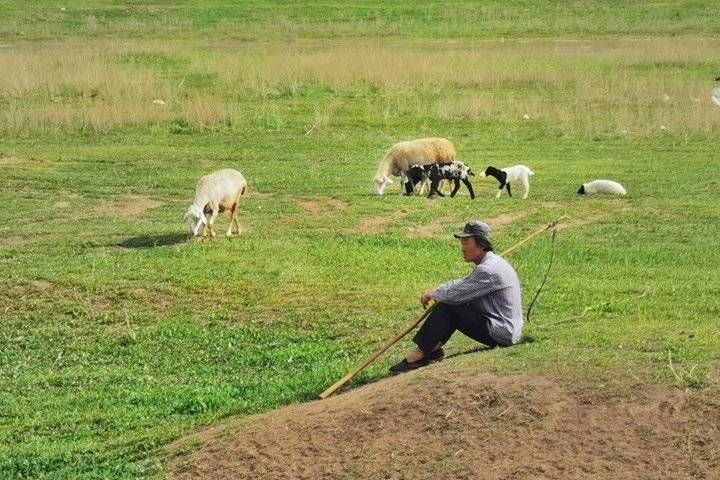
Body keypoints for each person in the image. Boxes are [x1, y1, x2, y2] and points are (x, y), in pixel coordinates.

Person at [389, 220, 524, 373]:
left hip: (502, 332)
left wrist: (433, 294)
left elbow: (454, 295)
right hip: (504, 328)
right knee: (450, 302)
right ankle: (431, 350)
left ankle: (420, 354)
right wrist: (438, 288)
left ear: (481, 244)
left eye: (466, 243)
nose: (462, 248)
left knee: (448, 306)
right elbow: (462, 283)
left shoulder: (488, 270)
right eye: (462, 243)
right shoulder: (490, 264)